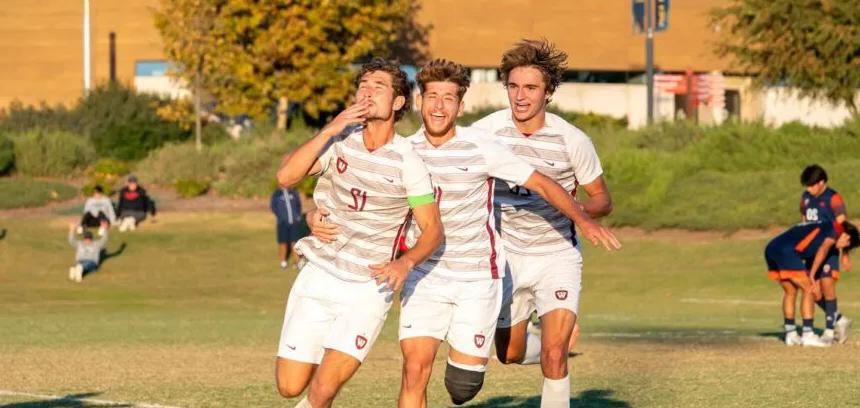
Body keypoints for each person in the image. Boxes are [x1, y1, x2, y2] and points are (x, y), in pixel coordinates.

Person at [307, 59, 619, 407]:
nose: (439, 107)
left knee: (462, 387)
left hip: (476, 278)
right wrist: (311, 216)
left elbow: (543, 184)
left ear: (461, 105)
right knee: (414, 370)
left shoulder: (482, 145)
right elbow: (355, 198)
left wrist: (585, 219)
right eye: (432, 97)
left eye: (449, 98)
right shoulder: (404, 151)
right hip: (425, 276)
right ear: (420, 101)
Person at [273, 58, 443, 408]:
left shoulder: (408, 160)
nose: (366, 91)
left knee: (321, 391)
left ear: (398, 102)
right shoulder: (340, 141)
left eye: (377, 86)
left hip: (367, 287)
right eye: (363, 85)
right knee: (290, 387)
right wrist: (328, 130)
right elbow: (286, 177)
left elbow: (433, 230)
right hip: (319, 275)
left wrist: (405, 263)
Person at [469, 39, 616, 408]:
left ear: (548, 92)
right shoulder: (485, 132)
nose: (520, 96)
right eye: (513, 87)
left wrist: (576, 211)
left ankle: (559, 338)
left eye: (530, 88)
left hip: (557, 256)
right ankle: (540, 333)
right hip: (505, 258)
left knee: (554, 355)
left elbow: (602, 199)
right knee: (509, 353)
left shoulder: (572, 140)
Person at [765, 220, 859, 346]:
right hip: (787, 252)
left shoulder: (823, 225)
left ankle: (791, 334)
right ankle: (808, 334)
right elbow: (823, 250)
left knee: (790, 291)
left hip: (771, 248)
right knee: (809, 288)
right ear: (847, 236)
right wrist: (812, 275)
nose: (843, 247)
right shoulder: (836, 230)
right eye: (847, 244)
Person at [799, 164, 852, 343]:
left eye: (812, 185)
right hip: (812, 251)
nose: (808, 189)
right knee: (813, 291)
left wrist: (845, 254)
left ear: (822, 182)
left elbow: (843, 228)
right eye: (806, 185)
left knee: (828, 286)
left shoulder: (833, 198)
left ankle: (829, 332)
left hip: (829, 248)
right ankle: (839, 320)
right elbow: (803, 224)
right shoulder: (805, 198)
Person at [270, 187, 303, 269]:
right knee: (283, 242)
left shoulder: (293, 192)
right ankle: (283, 262)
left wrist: (297, 216)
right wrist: (280, 217)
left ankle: (297, 262)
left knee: (295, 242)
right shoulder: (277, 194)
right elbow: (273, 207)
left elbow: (298, 205)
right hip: (282, 223)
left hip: (294, 223)